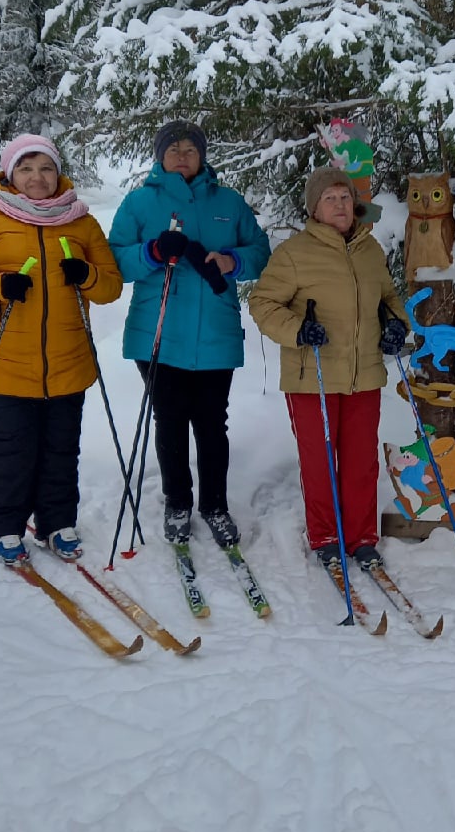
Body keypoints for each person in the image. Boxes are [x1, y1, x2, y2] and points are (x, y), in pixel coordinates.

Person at [0, 133, 123, 563]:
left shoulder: (80, 222)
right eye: (26, 168)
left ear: (58, 173)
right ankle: (4, 527)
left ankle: (56, 522)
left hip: (69, 361)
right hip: (4, 361)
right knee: (10, 450)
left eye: (45, 168)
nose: (36, 177)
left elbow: (111, 287)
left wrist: (87, 275)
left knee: (62, 448)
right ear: (9, 174)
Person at [109, 119, 271, 547]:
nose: (182, 155)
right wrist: (152, 252)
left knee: (212, 425)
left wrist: (232, 262)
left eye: (190, 149)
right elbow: (116, 261)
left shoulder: (229, 202)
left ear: (203, 156)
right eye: (173, 148)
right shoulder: (140, 203)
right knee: (170, 421)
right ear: (160, 156)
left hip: (215, 333)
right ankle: (177, 502)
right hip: (157, 333)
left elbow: (260, 252)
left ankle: (215, 505)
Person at [247, 167, 410, 569]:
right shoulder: (294, 253)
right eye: (329, 199)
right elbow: (262, 304)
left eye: (344, 197)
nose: (339, 205)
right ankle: (326, 535)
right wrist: (298, 330)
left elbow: (389, 297)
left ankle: (361, 537)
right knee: (319, 461)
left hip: (364, 374)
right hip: (312, 376)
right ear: (315, 209)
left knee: (360, 461)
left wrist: (395, 324)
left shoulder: (369, 250)